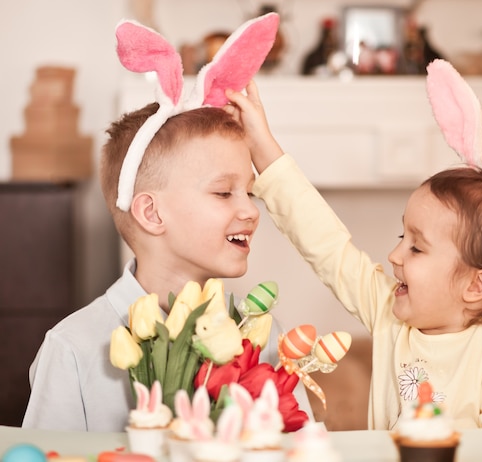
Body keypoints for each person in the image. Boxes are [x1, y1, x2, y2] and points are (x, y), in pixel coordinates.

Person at [225, 46, 482, 431]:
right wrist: (262, 145)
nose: (394, 255)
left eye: (417, 247)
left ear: (475, 284)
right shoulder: (392, 320)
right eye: (403, 236)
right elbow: (328, 246)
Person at [22, 13, 312, 432]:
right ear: (152, 213)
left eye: (250, 191)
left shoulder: (263, 336)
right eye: (223, 192)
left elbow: (300, 445)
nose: (250, 210)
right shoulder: (73, 348)